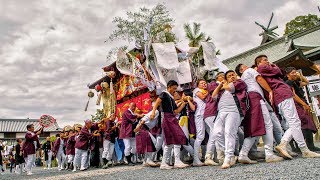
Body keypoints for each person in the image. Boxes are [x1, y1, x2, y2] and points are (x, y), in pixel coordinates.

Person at [255, 55, 320, 159]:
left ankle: (285, 145)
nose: (268, 62)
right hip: (282, 94)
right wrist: (274, 66)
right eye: (265, 60)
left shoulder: (265, 70)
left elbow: (280, 72)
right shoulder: (262, 68)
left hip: (281, 95)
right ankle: (302, 149)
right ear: (258, 63)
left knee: (294, 122)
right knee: (294, 121)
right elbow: (279, 71)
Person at [235, 63, 283, 164]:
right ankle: (269, 154)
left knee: (255, 126)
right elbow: (260, 79)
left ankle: (243, 154)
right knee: (267, 125)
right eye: (245, 66)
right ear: (241, 70)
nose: (247, 66)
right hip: (256, 97)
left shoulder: (242, 79)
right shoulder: (249, 71)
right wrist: (270, 90)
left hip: (249, 100)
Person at [150, 80, 190, 170]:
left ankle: (166, 163)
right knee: (176, 137)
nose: (175, 90)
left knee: (172, 140)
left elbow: (176, 111)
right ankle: (175, 161)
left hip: (172, 118)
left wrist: (183, 104)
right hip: (167, 118)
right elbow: (157, 102)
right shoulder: (164, 93)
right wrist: (153, 112)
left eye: (176, 89)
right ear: (169, 87)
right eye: (174, 88)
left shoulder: (171, 97)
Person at [212, 70, 248, 169]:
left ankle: (227, 158)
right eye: (229, 76)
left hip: (234, 110)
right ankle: (230, 154)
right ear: (226, 78)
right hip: (221, 112)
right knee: (217, 133)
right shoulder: (222, 89)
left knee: (229, 133)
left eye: (233, 75)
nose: (232, 76)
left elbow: (229, 87)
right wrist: (220, 85)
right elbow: (213, 96)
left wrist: (224, 84)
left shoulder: (239, 83)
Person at [284, 67, 320, 151]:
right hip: (298, 104)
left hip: (301, 103)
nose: (294, 74)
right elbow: (293, 95)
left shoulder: (295, 82)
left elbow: (306, 82)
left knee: (306, 124)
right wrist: (303, 104)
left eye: (295, 72)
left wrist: (301, 75)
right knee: (305, 124)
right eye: (292, 73)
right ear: (288, 74)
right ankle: (306, 146)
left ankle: (306, 146)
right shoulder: (288, 82)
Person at [192, 79, 209, 166]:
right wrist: (209, 91)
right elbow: (202, 97)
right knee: (200, 136)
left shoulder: (205, 91)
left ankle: (210, 157)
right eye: (202, 83)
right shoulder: (196, 90)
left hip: (206, 114)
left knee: (211, 134)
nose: (204, 84)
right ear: (198, 85)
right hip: (199, 115)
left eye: (205, 82)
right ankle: (196, 159)